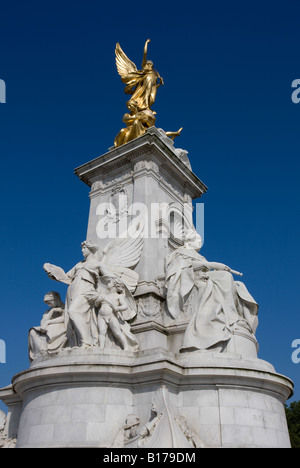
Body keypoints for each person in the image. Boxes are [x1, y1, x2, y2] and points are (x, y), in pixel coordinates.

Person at [165, 229, 258, 352]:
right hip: (194, 280)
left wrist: (215, 268)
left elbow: (206, 269)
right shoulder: (180, 252)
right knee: (225, 277)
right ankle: (230, 316)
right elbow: (180, 269)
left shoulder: (200, 256)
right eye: (197, 239)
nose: (200, 242)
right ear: (188, 240)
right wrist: (213, 265)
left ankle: (234, 315)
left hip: (204, 278)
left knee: (239, 285)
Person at [86, 276, 139, 351]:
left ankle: (126, 347)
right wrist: (98, 300)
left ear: (115, 285)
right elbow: (96, 305)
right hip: (101, 316)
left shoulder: (118, 296)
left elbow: (125, 306)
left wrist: (118, 308)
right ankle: (101, 347)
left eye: (109, 282)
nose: (108, 284)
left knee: (117, 333)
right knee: (101, 332)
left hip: (112, 316)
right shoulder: (104, 295)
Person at [28, 291, 66, 361]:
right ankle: (43, 350)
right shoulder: (49, 311)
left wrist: (49, 322)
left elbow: (65, 318)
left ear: (56, 299)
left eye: (49, 302)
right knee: (32, 331)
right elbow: (42, 323)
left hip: (61, 327)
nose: (48, 305)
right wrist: (52, 311)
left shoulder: (66, 307)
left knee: (51, 328)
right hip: (48, 329)